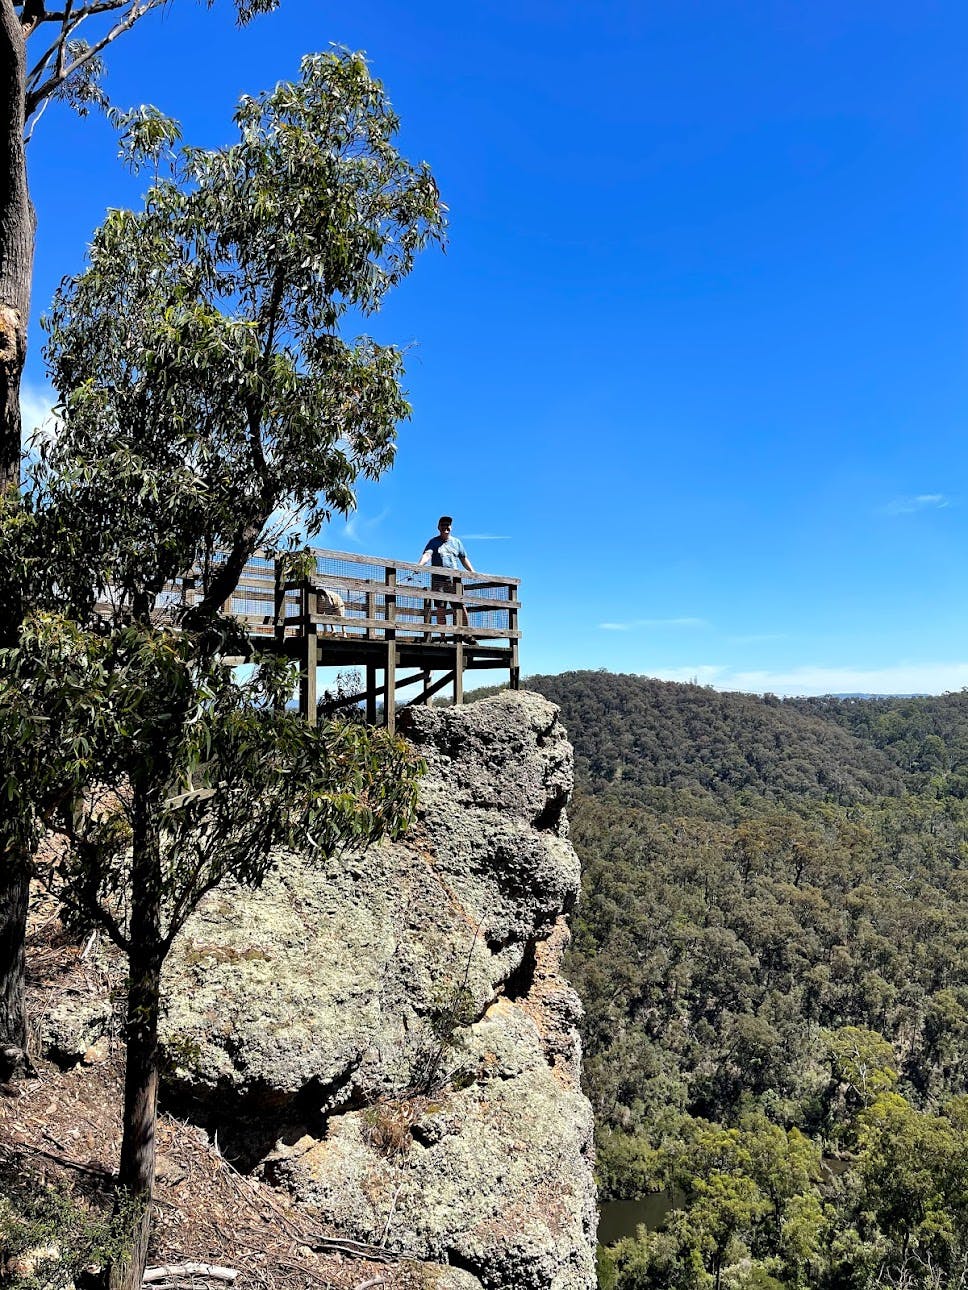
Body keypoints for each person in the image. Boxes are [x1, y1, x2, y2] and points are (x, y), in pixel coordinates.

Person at [418, 515, 475, 633]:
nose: (446, 527)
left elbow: (463, 559)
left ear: (451, 527)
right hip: (438, 580)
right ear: (438, 527)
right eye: (443, 525)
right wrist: (419, 566)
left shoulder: (457, 542)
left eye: (448, 525)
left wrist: (472, 572)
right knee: (440, 608)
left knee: (459, 605)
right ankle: (443, 637)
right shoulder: (433, 542)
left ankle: (467, 633)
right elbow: (427, 555)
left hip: (454, 581)